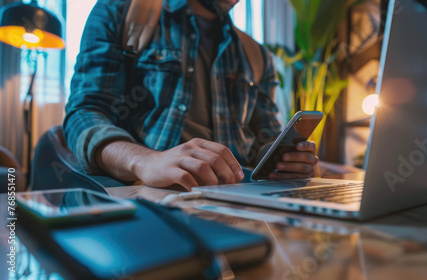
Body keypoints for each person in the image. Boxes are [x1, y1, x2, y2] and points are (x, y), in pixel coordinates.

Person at [63, 0, 319, 191]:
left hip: (239, 200)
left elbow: (265, 139)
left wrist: (283, 161)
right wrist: (145, 160)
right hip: (153, 202)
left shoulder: (255, 55)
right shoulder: (122, 12)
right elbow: (84, 114)